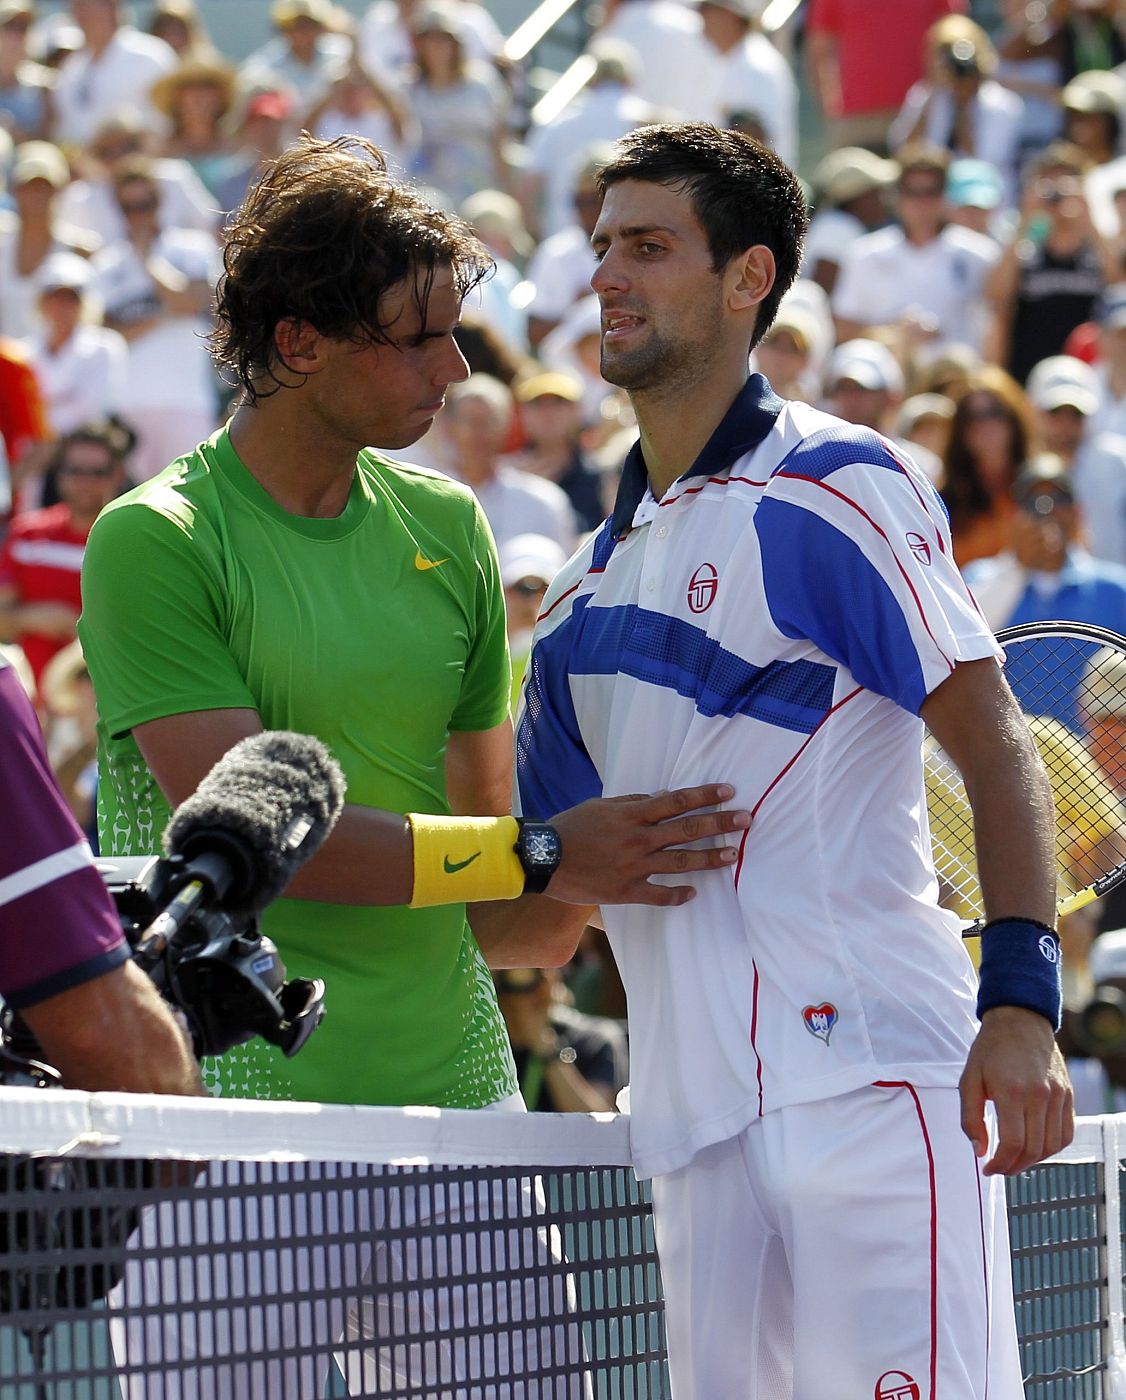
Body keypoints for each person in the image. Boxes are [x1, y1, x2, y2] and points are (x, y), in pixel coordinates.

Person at [78, 135, 746, 1396]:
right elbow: (269, 836)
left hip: (458, 1107)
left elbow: (503, 900)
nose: (456, 368)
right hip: (225, 1117)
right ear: (298, 344)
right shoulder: (153, 539)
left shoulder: (448, 525)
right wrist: (549, 849)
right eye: (418, 338)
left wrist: (635, 858)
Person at [516, 121, 1073, 1398]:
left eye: (648, 246)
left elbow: (991, 737)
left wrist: (1019, 999)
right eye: (602, 246)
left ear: (747, 277)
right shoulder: (576, 593)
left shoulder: (833, 481)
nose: (607, 276)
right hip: (690, 1127)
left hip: (871, 1080)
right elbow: (536, 923)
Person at [0, 645, 201, 1096]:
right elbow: (94, 1030)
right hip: (73, 930)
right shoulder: (89, 762)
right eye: (85, 676)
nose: (91, 686)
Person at [0, 419, 128, 700]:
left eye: (97, 472)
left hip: (102, 703)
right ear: (58, 473)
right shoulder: (28, 533)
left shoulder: (131, 541)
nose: (85, 481)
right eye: (74, 470)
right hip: (28, 700)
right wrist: (35, 618)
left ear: (118, 475)